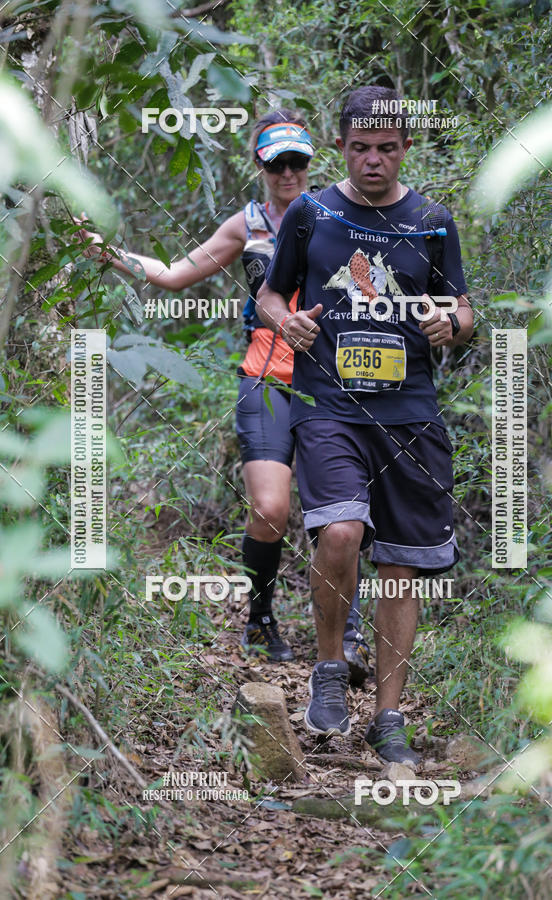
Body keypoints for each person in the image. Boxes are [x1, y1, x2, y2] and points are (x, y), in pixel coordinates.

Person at [75, 109, 371, 680]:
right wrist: (108, 253)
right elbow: (173, 274)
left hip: (336, 381)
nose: (288, 172)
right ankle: (260, 617)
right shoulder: (250, 223)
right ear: (259, 164)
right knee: (271, 508)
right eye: (276, 162)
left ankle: (348, 634)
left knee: (342, 514)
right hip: (266, 377)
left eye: (298, 161)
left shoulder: (343, 214)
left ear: (313, 162)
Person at [256, 85, 474, 763]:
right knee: (341, 531)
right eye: (359, 149)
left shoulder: (433, 221)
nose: (372, 162)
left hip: (409, 414)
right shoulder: (311, 213)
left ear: (406, 147)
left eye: (385, 149)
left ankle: (388, 718)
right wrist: (283, 321)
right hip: (330, 406)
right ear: (342, 146)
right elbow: (267, 292)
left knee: (400, 569)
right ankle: (327, 669)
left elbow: (464, 308)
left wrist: (451, 323)